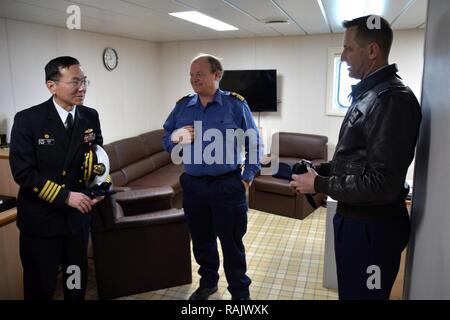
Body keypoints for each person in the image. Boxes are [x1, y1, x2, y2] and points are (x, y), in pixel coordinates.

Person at [290, 16, 421, 300]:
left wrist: (320, 185)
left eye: (348, 49)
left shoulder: (391, 101)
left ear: (372, 51)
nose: (343, 58)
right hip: (356, 225)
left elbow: (381, 183)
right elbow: (359, 158)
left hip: (372, 232)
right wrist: (321, 171)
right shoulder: (369, 95)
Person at [162, 54, 262, 300]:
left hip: (227, 185)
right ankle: (208, 283)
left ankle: (240, 292)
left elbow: (254, 143)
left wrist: (246, 177)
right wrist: (176, 138)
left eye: (200, 74)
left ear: (217, 75)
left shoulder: (236, 105)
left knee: (232, 243)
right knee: (201, 240)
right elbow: (166, 139)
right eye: (191, 75)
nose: (194, 79)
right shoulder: (182, 106)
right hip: (194, 186)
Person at [9, 56, 104, 300]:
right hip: (42, 222)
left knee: (75, 283)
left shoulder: (90, 116)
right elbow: (24, 173)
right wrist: (65, 197)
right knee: (40, 287)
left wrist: (98, 190)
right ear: (51, 86)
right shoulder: (29, 120)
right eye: (75, 82)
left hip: (76, 221)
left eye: (84, 81)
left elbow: (97, 160)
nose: (82, 88)